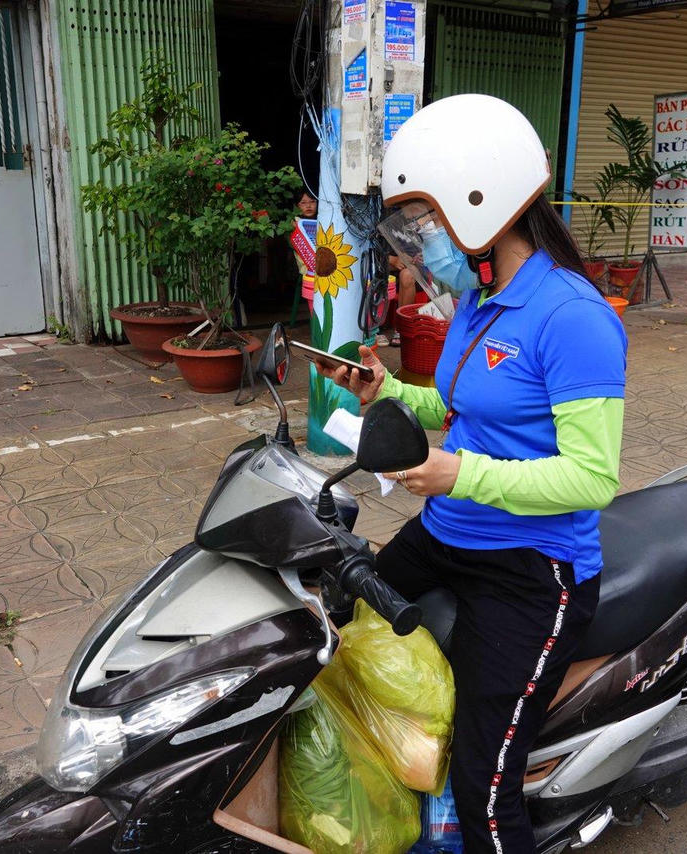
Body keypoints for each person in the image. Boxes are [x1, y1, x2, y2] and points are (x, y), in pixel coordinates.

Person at [317, 94, 627, 854]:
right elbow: (462, 405)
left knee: (485, 789)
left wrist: (460, 474)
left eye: (421, 224)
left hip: (532, 570)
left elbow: (592, 479)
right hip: (446, 532)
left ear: (482, 204)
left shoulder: (573, 318)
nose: (409, 249)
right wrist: (389, 392)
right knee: (335, 624)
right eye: (407, 228)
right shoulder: (479, 302)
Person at [292, 191, 319, 314]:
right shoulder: (296, 222)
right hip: (306, 267)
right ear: (297, 206)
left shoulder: (322, 219)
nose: (308, 206)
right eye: (303, 203)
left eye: (312, 202)